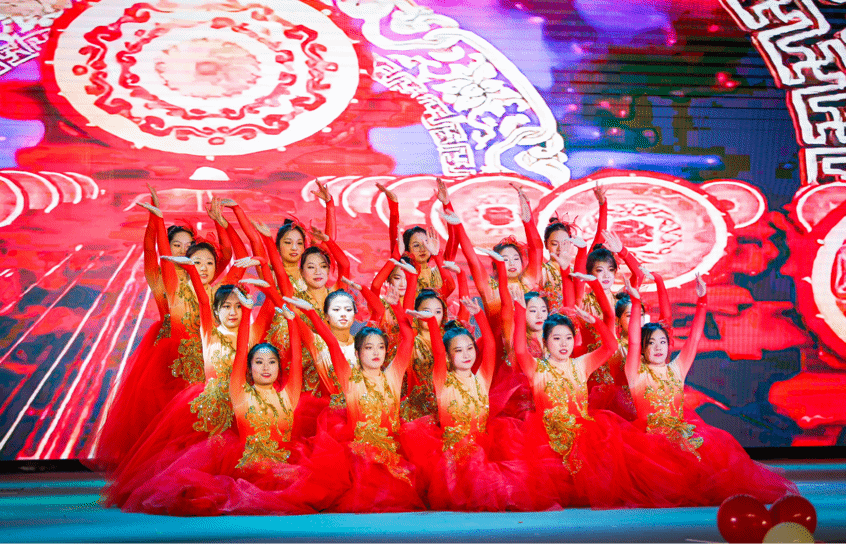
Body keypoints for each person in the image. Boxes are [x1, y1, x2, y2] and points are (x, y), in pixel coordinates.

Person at [624, 275, 798, 506]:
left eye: (662, 342)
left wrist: (702, 299)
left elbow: (695, 337)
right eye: (651, 343)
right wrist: (636, 303)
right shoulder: (635, 373)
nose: (658, 348)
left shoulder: (677, 368)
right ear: (642, 349)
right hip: (651, 445)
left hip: (682, 440)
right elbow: (633, 341)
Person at [285, 296, 425, 512]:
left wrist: (396, 306)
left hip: (391, 454)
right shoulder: (350, 379)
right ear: (357, 353)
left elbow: (408, 339)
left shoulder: (394, 375)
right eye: (369, 348)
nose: (376, 352)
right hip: (360, 459)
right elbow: (332, 343)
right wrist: (311, 313)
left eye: (380, 347)